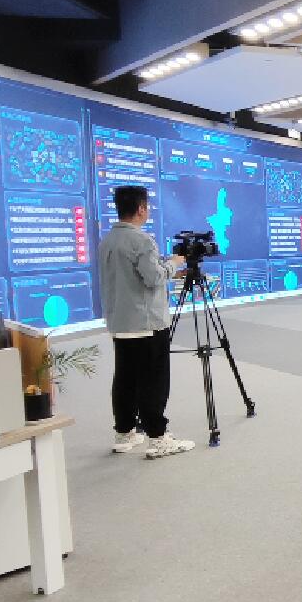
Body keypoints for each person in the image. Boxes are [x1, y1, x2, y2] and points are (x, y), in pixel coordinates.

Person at [97, 186, 196, 459]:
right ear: (141, 208)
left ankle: (125, 432)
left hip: (120, 322)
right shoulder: (142, 241)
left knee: (125, 378)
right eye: (147, 206)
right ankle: (158, 438)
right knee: (153, 381)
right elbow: (154, 278)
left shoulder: (108, 241)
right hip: (146, 324)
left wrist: (164, 268)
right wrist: (174, 263)